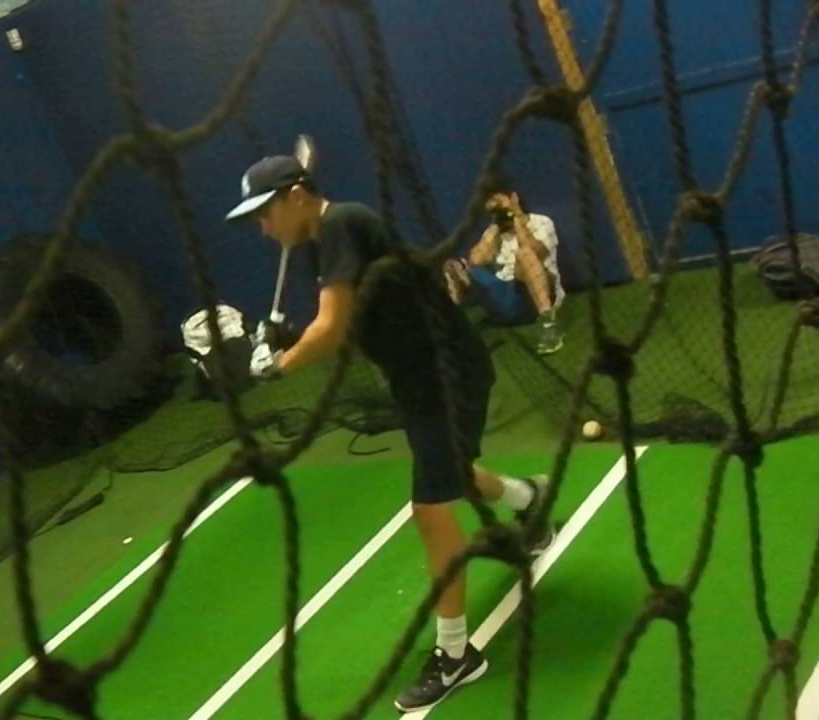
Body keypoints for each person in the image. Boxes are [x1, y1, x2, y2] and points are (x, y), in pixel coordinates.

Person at [226, 154, 555, 712]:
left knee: (429, 508)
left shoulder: (342, 224)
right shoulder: (323, 241)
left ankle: (455, 654)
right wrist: (281, 337)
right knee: (449, 475)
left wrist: (275, 365)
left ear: (298, 195)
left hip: (446, 373)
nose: (262, 227)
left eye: (265, 211)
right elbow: (348, 319)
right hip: (420, 377)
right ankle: (530, 498)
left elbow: (331, 329)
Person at [443, 183, 566, 354]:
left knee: (525, 255)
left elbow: (538, 252)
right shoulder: (495, 232)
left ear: (514, 198)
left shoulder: (541, 222)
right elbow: (476, 259)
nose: (498, 210)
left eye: (499, 203)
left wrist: (516, 219)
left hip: (533, 298)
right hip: (503, 300)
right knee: (455, 267)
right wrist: (496, 227)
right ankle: (457, 336)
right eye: (493, 210)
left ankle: (549, 326)